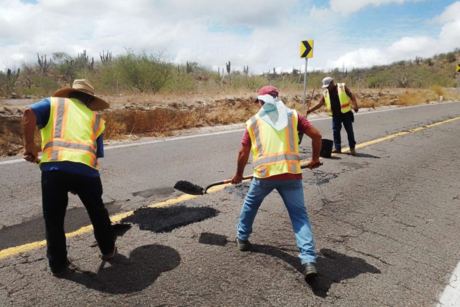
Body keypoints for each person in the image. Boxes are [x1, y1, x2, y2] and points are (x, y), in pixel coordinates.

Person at [22, 79, 116, 276]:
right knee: (97, 211)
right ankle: (108, 251)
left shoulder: (53, 104)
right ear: (90, 101)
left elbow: (29, 113)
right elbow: (95, 153)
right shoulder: (96, 119)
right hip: (86, 172)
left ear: (69, 95)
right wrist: (76, 180)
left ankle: (57, 265)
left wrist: (29, 145)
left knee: (53, 219)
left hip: (54, 170)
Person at [231, 85, 322, 279]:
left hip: (264, 176)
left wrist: (238, 175)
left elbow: (242, 153)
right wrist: (314, 159)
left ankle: (242, 238)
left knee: (250, 204)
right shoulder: (294, 116)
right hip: (291, 175)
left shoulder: (253, 122)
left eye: (259, 102)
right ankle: (308, 260)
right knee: (299, 216)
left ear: (261, 101)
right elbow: (317, 135)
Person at [307, 77, 359, 155]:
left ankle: (352, 148)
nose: (327, 87)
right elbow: (320, 104)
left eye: (328, 85)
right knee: (336, 132)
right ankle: (337, 148)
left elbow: (351, 95)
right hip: (335, 116)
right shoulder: (326, 93)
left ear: (332, 82)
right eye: (326, 86)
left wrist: (355, 105)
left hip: (346, 114)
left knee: (349, 131)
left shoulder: (342, 87)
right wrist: (311, 110)